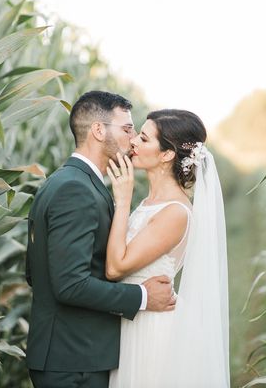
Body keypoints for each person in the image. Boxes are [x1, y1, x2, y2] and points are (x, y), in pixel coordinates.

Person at [25, 91, 176, 388]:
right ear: (98, 130)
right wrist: (143, 297)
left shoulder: (69, 181)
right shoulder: (76, 190)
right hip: (73, 361)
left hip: (72, 354)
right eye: (127, 129)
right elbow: (70, 284)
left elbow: (35, 273)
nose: (132, 139)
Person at [107, 109, 230, 388]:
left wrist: (122, 201)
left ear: (166, 155)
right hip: (132, 321)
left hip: (151, 331)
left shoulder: (175, 212)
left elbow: (116, 267)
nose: (134, 142)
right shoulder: (150, 202)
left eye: (144, 138)